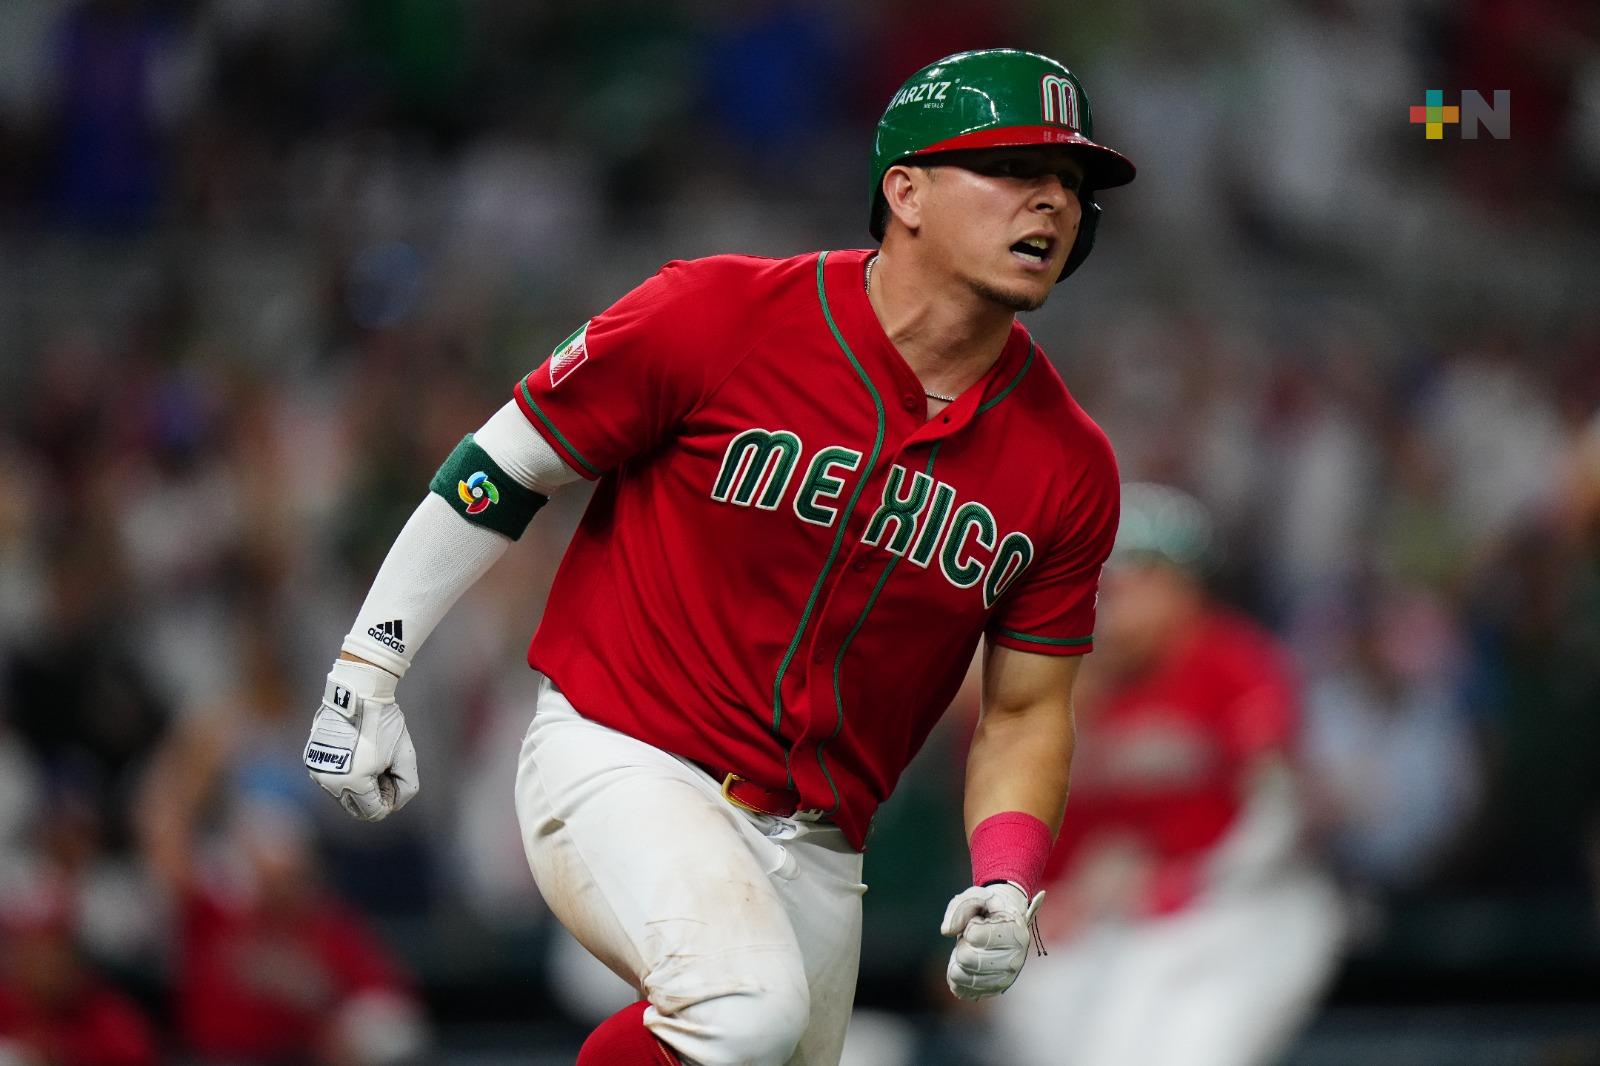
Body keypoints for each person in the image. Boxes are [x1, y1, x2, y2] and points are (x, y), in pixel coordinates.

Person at [303, 48, 1135, 1066]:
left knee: (754, 1033)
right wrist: (369, 666)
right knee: (741, 1012)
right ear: (905, 190)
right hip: (625, 755)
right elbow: (502, 467)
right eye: (1015, 169)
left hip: (824, 848)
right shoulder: (720, 314)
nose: (1052, 203)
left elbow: (1023, 707)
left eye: (1071, 184)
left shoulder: (1069, 462)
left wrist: (1006, 875)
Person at [985, 483, 1345, 1066]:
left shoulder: (1235, 664)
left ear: (1177, 585)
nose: (1100, 602)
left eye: (1118, 585)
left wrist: (1181, 883)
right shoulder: (1065, 682)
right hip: (1114, 927)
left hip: (1244, 910)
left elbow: (1278, 816)